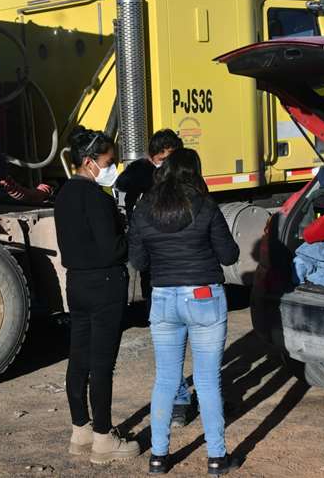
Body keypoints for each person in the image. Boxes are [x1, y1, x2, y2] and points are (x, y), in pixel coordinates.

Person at [128, 148, 240, 475]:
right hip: (204, 296)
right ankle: (217, 458)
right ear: (195, 172)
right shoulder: (205, 206)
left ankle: (159, 457)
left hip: (163, 298)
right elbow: (229, 255)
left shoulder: (145, 209)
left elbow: (138, 261)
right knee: (207, 381)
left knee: (165, 379)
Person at [54, 125, 139, 464]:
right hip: (104, 284)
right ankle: (104, 438)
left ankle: (81, 430)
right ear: (89, 162)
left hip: (76, 283)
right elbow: (111, 248)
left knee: (79, 357)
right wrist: (130, 234)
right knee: (102, 364)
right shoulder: (96, 198)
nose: (112, 167)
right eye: (108, 161)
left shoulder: (63, 195)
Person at [115, 129, 193, 428]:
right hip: (163, 275)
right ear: (156, 156)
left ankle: (178, 402)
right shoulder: (138, 178)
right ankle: (178, 402)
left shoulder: (181, 181)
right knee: (171, 343)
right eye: (166, 159)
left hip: (174, 274)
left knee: (177, 342)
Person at [115, 128, 184, 218]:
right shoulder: (140, 179)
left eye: (169, 159)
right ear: (151, 158)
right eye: (162, 160)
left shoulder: (186, 178)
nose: (166, 164)